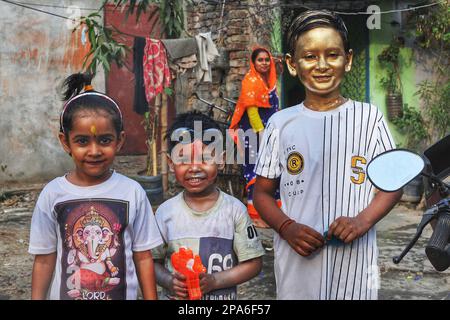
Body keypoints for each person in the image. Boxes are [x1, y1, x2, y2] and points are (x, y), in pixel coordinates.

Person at [253, 10, 403, 300]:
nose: (321, 65)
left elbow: (392, 184)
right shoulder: (280, 124)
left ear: (347, 60)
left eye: (332, 54)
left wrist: (362, 221)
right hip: (298, 259)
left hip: (355, 260)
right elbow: (262, 194)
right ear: (292, 64)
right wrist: (287, 227)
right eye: (309, 56)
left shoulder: (368, 118)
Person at [28, 73, 163, 300]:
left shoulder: (132, 192)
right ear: (65, 142)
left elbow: (143, 256)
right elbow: (44, 259)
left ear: (119, 141)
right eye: (82, 141)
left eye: (104, 140)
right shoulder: (53, 194)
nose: (94, 151)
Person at [152, 111, 265, 300]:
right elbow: (151, 262)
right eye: (184, 160)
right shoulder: (165, 213)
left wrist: (215, 281)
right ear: (171, 164)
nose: (194, 168)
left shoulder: (234, 210)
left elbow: (254, 263)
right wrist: (168, 281)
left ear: (221, 160)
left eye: (205, 159)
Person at [229, 47, 281, 228]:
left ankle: (272, 213)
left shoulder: (270, 81)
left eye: (267, 60)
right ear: (254, 62)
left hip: (270, 132)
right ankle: (256, 215)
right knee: (256, 172)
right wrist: (261, 135)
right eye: (260, 60)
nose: (265, 63)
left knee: (273, 170)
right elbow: (252, 112)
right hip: (254, 134)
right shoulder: (251, 81)